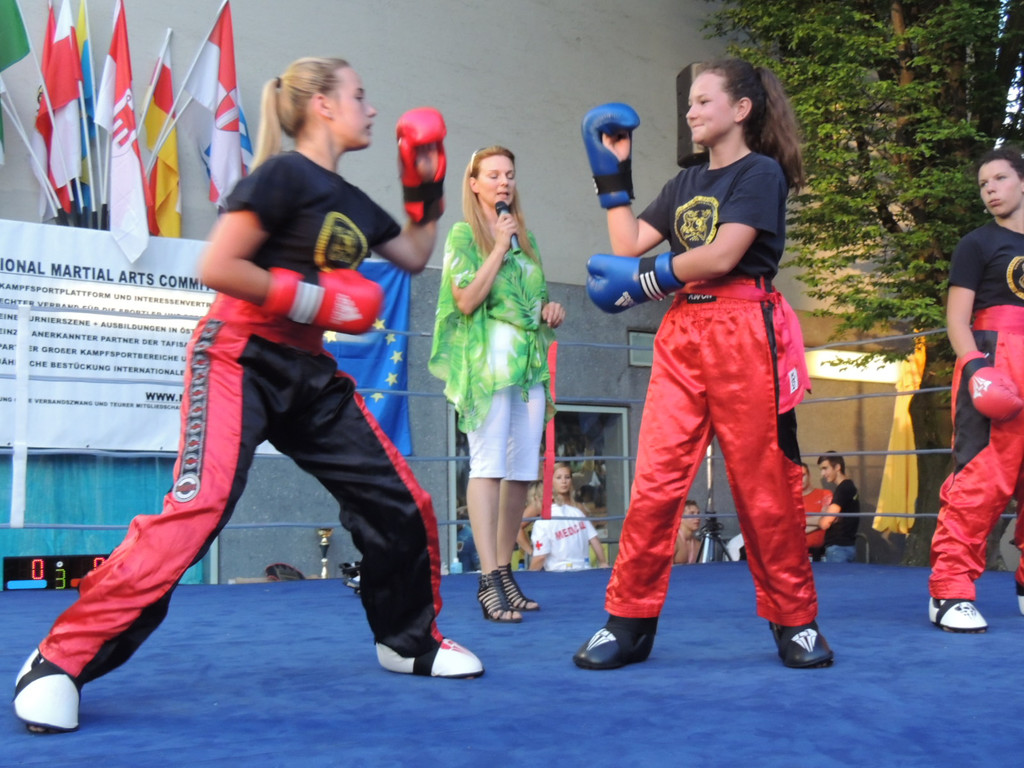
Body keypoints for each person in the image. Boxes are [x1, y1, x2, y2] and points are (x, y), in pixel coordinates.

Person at [13, 57, 483, 734]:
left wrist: (426, 190)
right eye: (360, 95)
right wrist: (316, 299)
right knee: (198, 508)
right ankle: (59, 660)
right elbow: (218, 265)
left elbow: (411, 255)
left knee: (401, 500)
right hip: (239, 354)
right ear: (323, 105)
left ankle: (409, 643)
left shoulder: (353, 202)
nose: (373, 108)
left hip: (310, 371)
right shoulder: (282, 175)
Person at [572, 57, 833, 669]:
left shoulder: (760, 172)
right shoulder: (685, 182)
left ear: (741, 109)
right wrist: (612, 174)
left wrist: (646, 279)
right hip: (683, 330)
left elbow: (722, 254)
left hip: (745, 329)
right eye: (689, 102)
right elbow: (626, 245)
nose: (690, 111)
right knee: (655, 480)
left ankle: (796, 621)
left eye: (703, 101)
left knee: (766, 486)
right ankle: (627, 622)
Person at [428, 146, 565, 623]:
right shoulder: (465, 234)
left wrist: (550, 310)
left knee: (523, 471)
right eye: (492, 175)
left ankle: (505, 569)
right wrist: (499, 246)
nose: (503, 182)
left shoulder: (527, 237)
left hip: (527, 367)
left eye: (509, 174)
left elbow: (534, 299)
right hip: (487, 368)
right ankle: (487, 578)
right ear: (474, 183)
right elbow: (465, 300)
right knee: (487, 466)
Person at [928, 145, 1024, 634]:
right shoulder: (977, 243)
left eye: (999, 179)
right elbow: (956, 319)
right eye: (984, 183)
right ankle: (949, 590)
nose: (990, 190)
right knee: (981, 478)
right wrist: (973, 368)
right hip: (994, 359)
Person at [530, 462, 610, 571]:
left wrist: (530, 575)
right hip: (584, 570)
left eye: (567, 477)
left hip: (557, 574)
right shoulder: (577, 512)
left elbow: (540, 557)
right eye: (559, 478)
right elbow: (594, 539)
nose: (563, 481)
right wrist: (603, 562)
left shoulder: (542, 523)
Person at [814, 452, 860, 563]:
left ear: (837, 467)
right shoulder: (849, 486)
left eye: (825, 468)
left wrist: (823, 517)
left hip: (838, 549)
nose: (822, 474)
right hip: (846, 547)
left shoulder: (843, 489)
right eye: (821, 469)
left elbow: (825, 523)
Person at [801, 462, 832, 560]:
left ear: (809, 475)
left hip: (821, 556)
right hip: (797, 556)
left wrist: (798, 524)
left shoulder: (824, 494)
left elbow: (826, 519)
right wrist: (819, 522)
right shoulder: (789, 499)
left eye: (803, 475)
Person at [673, 499, 702, 565]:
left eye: (698, 513)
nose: (697, 518)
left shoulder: (699, 545)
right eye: (692, 514)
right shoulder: (673, 542)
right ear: (680, 517)